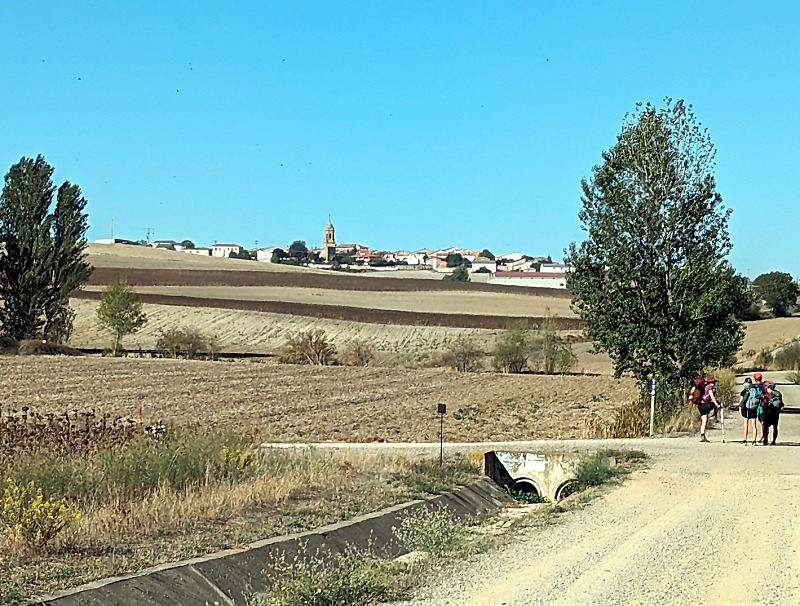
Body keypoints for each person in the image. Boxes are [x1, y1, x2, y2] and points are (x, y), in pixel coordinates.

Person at [698, 376, 718, 442]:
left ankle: (702, 435)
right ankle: (714, 415)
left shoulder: (704, 387)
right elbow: (712, 397)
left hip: (700, 405)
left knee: (704, 420)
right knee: (717, 403)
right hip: (705, 405)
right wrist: (717, 405)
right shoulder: (709, 387)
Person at [739, 377, 758, 444]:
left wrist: (740, 409)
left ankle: (745, 439)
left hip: (746, 409)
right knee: (754, 425)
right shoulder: (755, 390)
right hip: (754, 408)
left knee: (745, 424)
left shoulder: (744, 392)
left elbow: (741, 401)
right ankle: (754, 440)